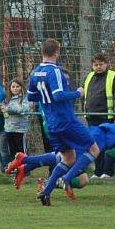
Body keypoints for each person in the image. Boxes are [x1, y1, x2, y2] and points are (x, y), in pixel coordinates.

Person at [26, 39, 99, 206]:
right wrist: (77, 93)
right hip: (65, 121)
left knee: (68, 158)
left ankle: (46, 192)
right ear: (57, 52)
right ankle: (66, 178)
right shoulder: (55, 72)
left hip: (50, 124)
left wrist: (46, 101)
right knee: (94, 149)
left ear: (42, 52)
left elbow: (31, 97)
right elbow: (59, 95)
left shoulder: (35, 72)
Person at [83, 53, 115, 179]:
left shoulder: (113, 76)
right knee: (95, 144)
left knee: (109, 144)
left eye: (100, 64)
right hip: (92, 116)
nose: (98, 67)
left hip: (107, 116)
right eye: (95, 64)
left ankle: (108, 171)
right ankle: (98, 171)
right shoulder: (89, 77)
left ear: (106, 64)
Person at [0, 78, 31, 160]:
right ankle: (15, 169)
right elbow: (0, 111)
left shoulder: (25, 99)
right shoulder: (7, 99)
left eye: (17, 86)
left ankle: (25, 169)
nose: (15, 88)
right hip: (9, 129)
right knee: (12, 151)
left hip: (21, 130)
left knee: (22, 151)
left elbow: (22, 109)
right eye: (13, 87)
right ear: (10, 88)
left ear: (21, 88)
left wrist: (9, 108)